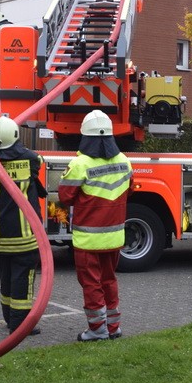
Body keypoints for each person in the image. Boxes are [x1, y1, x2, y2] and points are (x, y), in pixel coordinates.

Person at [58, 110, 133, 341]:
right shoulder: (124, 161)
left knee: (91, 284)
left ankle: (97, 329)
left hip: (89, 240)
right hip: (114, 238)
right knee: (109, 280)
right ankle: (113, 327)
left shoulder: (80, 163)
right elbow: (128, 190)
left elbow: (65, 196)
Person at [0, 117, 45, 336]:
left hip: (1, 236)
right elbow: (37, 160)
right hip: (26, 235)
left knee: (7, 278)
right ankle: (19, 324)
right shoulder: (30, 159)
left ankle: (9, 318)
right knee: (24, 279)